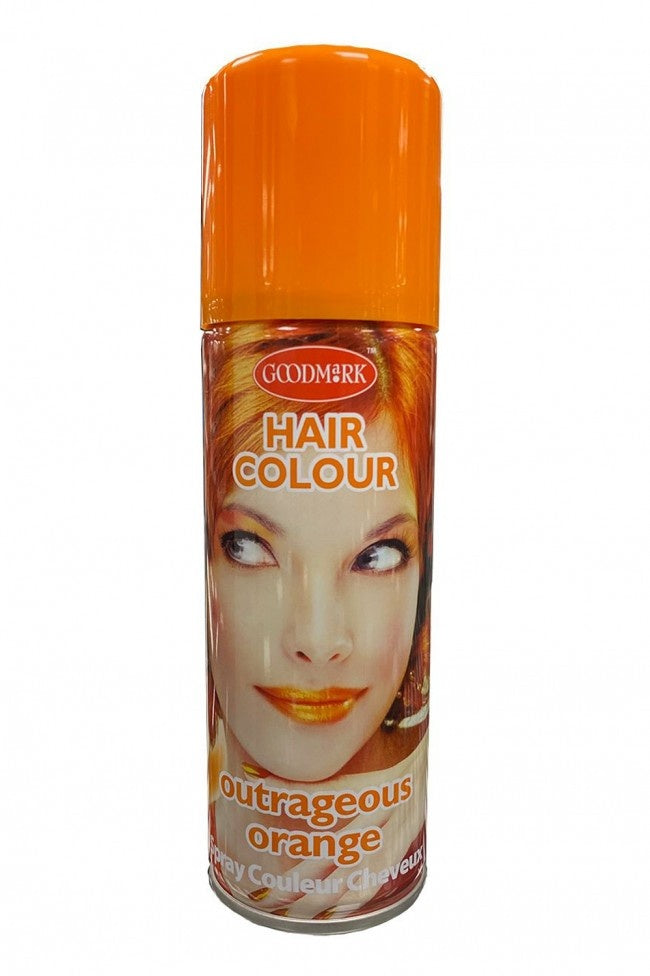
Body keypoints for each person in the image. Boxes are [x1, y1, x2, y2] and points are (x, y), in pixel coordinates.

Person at [203, 321, 435, 917]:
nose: (316, 639)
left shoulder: (400, 838)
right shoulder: (222, 811)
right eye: (248, 547)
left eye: (376, 556)